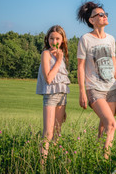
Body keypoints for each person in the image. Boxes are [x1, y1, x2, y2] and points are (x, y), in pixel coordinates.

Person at [76, 1, 116, 159]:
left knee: (103, 127)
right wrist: (82, 92)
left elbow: (114, 63)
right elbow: (80, 67)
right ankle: (105, 160)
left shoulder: (111, 39)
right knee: (111, 124)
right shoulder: (85, 39)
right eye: (100, 15)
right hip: (94, 89)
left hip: (112, 89)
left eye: (105, 14)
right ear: (92, 20)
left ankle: (95, 159)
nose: (104, 17)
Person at [36, 25, 70, 161]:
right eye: (51, 38)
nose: (54, 41)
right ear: (47, 39)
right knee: (48, 133)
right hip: (51, 96)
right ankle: (41, 165)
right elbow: (49, 79)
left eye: (57, 38)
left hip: (62, 96)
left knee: (57, 133)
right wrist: (59, 60)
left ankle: (52, 161)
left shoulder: (62, 54)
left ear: (62, 40)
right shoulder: (46, 54)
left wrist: (61, 58)